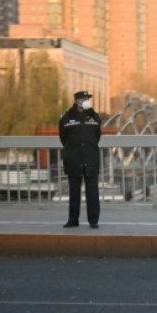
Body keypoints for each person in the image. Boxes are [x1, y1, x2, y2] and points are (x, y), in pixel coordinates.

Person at [58, 90, 102, 228]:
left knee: (93, 193)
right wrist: (73, 150)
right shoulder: (66, 118)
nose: (86, 100)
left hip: (91, 159)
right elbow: (63, 138)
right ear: (77, 101)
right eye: (84, 98)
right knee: (74, 193)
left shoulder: (94, 117)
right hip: (74, 159)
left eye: (87, 98)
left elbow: (97, 136)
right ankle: (73, 219)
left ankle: (93, 221)